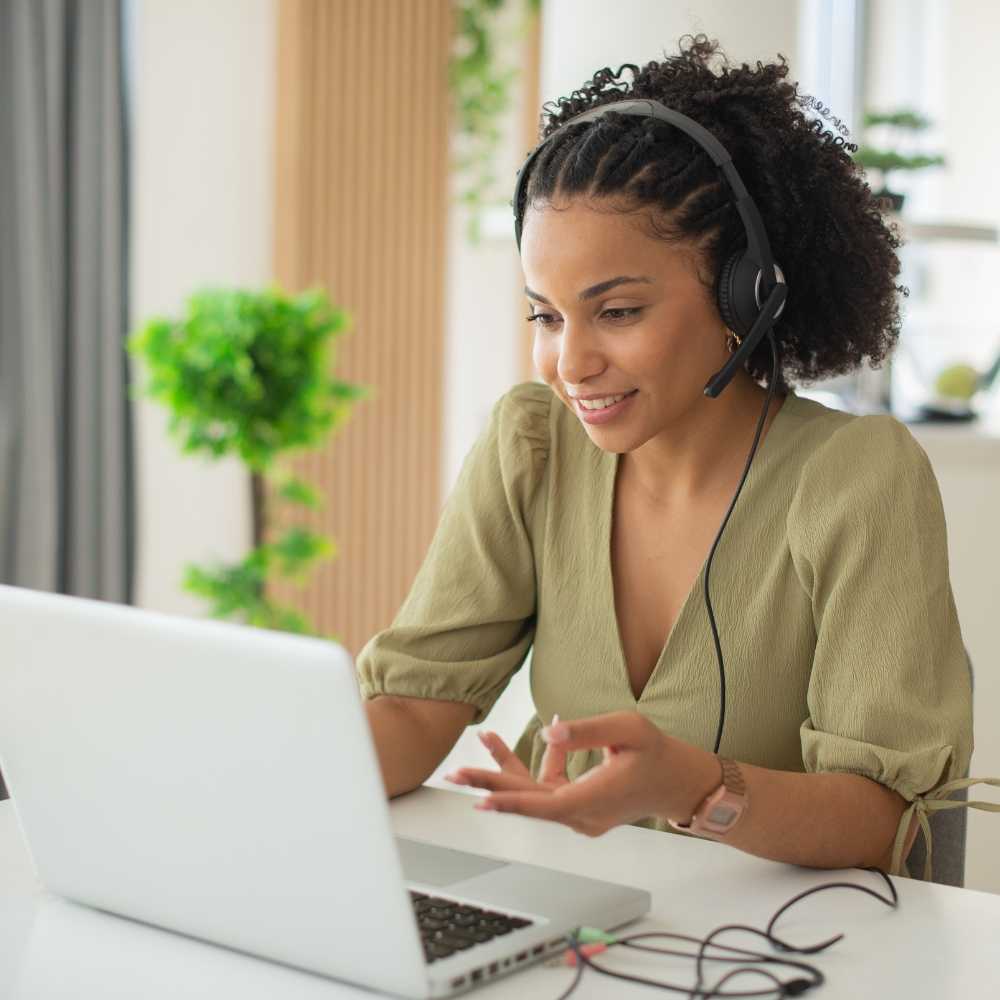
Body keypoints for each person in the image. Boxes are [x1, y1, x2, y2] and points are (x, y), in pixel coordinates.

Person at [356, 35, 974, 878]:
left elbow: (887, 823)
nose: (569, 364)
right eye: (545, 316)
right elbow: (415, 706)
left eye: (616, 312)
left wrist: (693, 788)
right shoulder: (533, 446)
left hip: (782, 950)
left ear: (744, 296)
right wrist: (248, 775)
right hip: (577, 915)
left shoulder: (855, 478)